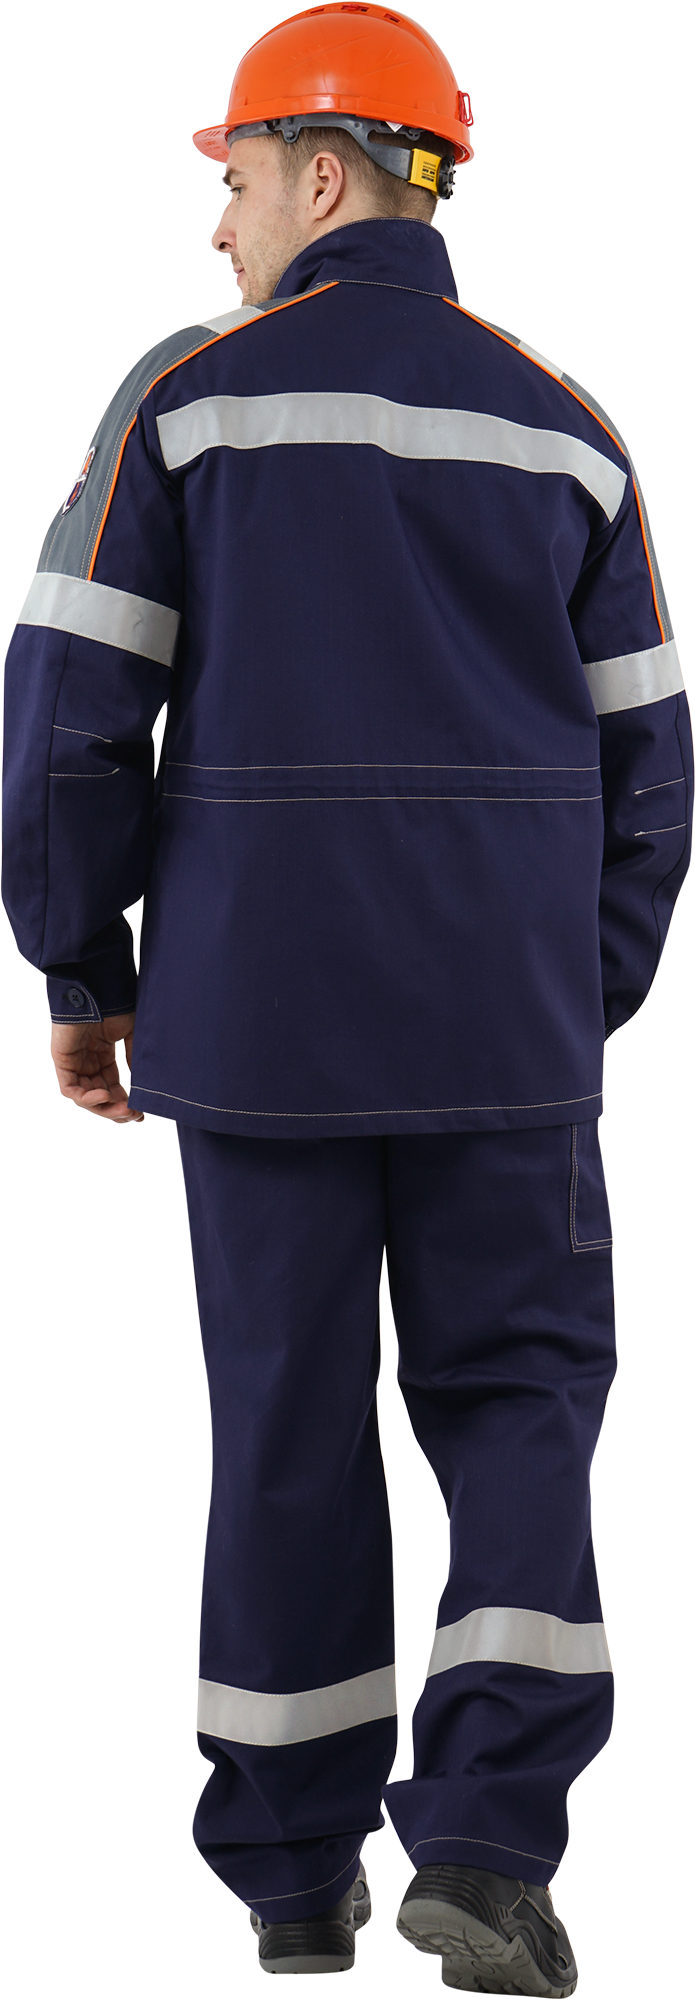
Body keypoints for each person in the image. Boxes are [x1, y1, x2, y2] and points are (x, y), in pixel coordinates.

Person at [2, 6, 692, 1993]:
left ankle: (298, 1889)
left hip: (256, 1032)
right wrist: (560, 996)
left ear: (321, 172)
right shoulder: (563, 431)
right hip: (502, 1039)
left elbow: (66, 720)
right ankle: (481, 1847)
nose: (220, 227)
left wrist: (87, 966)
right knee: (519, 1409)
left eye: (232, 182)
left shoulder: (184, 404)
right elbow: (651, 772)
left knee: (286, 1431)